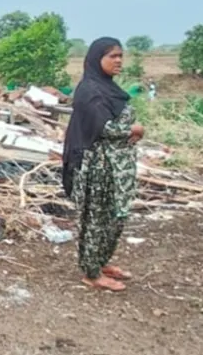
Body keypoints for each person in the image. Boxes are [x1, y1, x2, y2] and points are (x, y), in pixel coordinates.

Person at [62, 38, 144, 292]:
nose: (118, 60)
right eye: (112, 56)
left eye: (120, 55)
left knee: (115, 217)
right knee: (97, 218)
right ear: (97, 59)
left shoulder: (109, 88)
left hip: (117, 166)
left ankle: (101, 261)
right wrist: (132, 128)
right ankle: (91, 272)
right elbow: (104, 127)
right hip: (98, 167)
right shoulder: (90, 90)